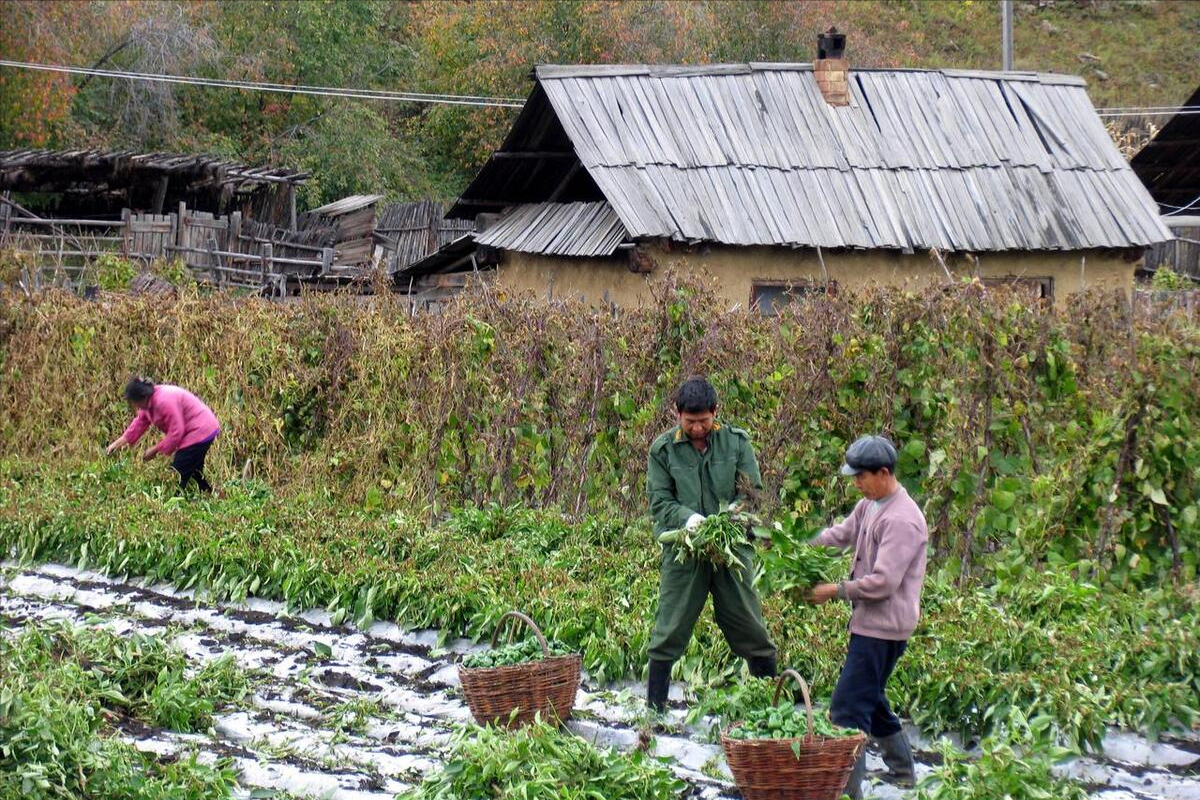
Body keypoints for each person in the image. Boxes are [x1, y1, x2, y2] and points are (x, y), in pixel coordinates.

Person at [645, 376, 777, 713]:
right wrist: (689, 519)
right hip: (684, 550)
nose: (698, 428)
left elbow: (752, 492)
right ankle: (655, 710)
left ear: (715, 413)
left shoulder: (735, 443)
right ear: (677, 414)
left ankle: (767, 703)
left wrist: (733, 514)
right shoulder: (662, 450)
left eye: (704, 421)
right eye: (690, 422)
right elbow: (660, 502)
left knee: (747, 621)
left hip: (731, 548)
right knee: (670, 625)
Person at [805, 435, 927, 798]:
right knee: (870, 699)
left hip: (885, 628)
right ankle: (903, 772)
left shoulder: (903, 520)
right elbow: (841, 534)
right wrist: (797, 547)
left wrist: (835, 590)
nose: (856, 483)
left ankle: (848, 792)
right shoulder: (870, 505)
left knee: (846, 709)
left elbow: (884, 582)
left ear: (883, 473)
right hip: (870, 624)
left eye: (861, 476)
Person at [106, 376, 221, 494]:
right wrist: (117, 444)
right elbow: (138, 424)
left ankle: (173, 505)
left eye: (134, 402)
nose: (134, 405)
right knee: (194, 472)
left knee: (176, 475)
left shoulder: (163, 401)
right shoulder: (147, 404)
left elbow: (177, 431)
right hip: (199, 430)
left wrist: (155, 450)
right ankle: (212, 495)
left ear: (142, 397)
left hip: (200, 430)